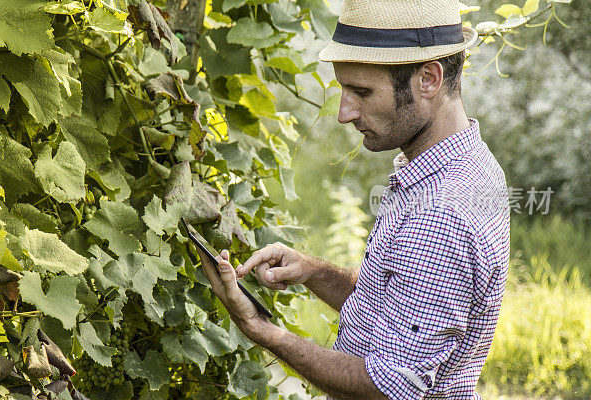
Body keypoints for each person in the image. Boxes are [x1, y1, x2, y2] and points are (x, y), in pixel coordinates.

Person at [195, 0, 511, 399]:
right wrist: (314, 272)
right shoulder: (467, 164)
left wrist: (263, 331)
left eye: (361, 90)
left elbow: (391, 386)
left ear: (429, 79)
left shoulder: (442, 213)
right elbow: (405, 302)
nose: (344, 112)